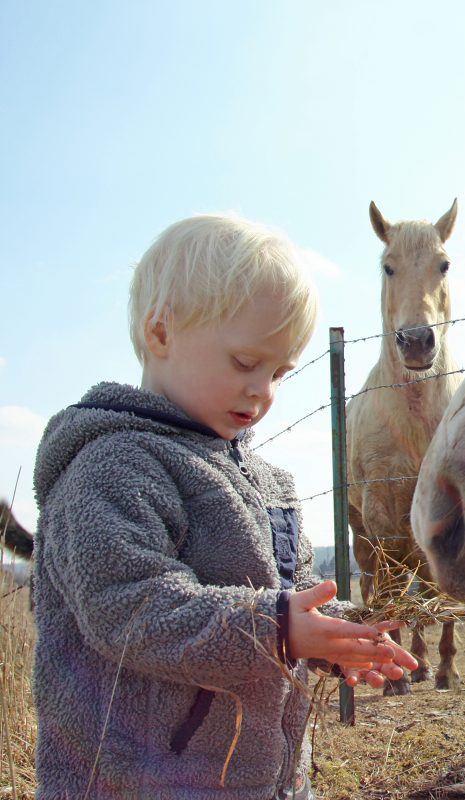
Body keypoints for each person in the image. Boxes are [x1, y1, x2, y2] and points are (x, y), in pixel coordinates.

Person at [30, 214, 416, 799]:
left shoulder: (270, 483)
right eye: (245, 363)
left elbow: (290, 595)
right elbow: (129, 609)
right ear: (161, 334)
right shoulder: (111, 468)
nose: (263, 391)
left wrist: (331, 640)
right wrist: (278, 628)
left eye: (280, 373)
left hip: (262, 779)